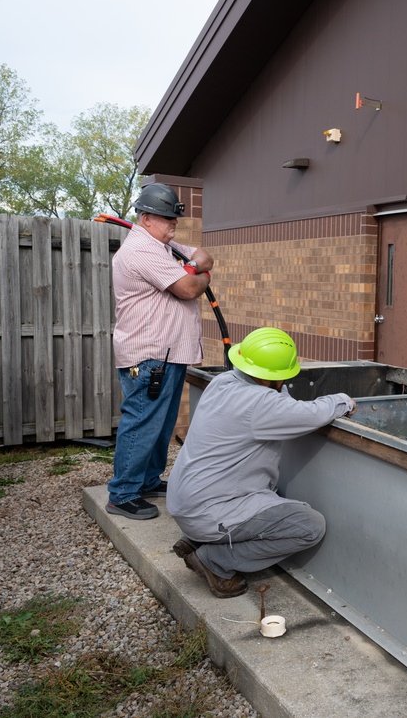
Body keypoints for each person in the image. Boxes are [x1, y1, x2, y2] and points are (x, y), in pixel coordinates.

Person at [166, 327, 356, 599]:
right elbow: (309, 413)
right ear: (273, 378)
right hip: (211, 511)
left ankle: (197, 539)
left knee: (266, 499)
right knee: (310, 526)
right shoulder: (259, 403)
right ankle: (215, 559)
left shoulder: (224, 382)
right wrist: (343, 401)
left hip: (186, 501)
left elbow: (280, 403)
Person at [106, 183, 214, 520]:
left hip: (170, 353)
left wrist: (196, 267)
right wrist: (198, 274)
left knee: (161, 424)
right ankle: (123, 494)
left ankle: (147, 480)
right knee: (141, 422)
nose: (174, 225)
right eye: (168, 219)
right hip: (149, 355)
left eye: (175, 219)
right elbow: (188, 288)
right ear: (148, 217)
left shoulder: (164, 245)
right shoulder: (141, 251)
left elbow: (204, 255)